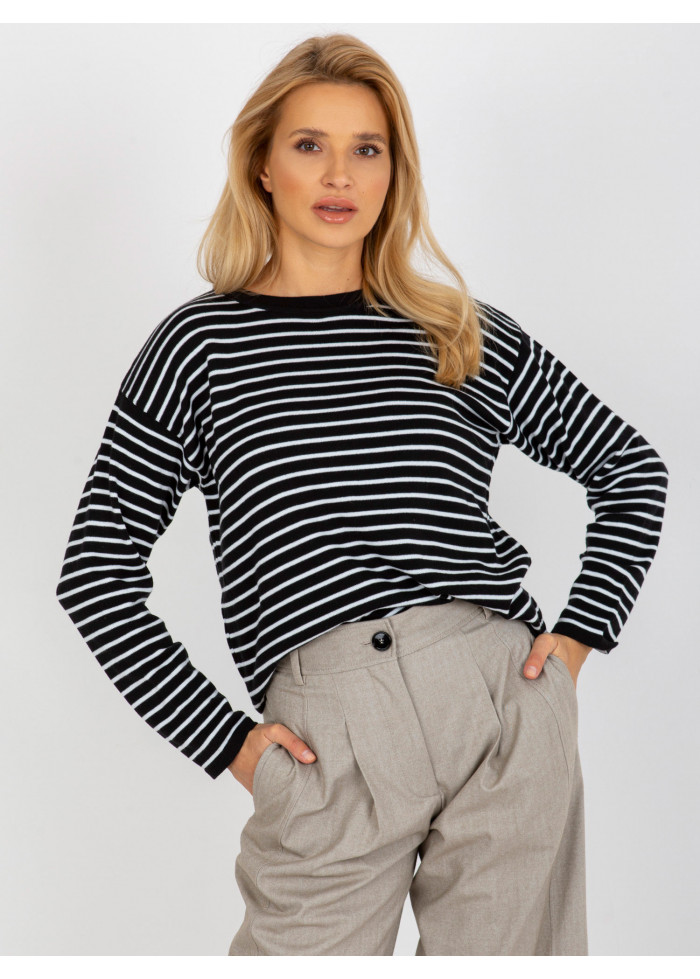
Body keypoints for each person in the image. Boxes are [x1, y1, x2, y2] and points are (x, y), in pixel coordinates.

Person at [56, 33, 668, 956]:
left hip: (501, 701)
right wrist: (230, 743)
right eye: (310, 145)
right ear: (262, 166)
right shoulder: (199, 349)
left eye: (367, 148)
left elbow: (629, 466)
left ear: (394, 171)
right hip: (327, 730)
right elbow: (94, 573)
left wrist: (577, 640)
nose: (340, 173)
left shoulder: (456, 330)